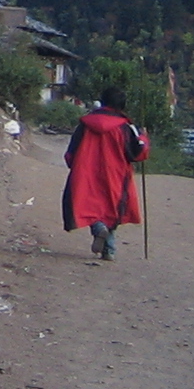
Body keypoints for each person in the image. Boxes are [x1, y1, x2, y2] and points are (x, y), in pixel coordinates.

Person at [62, 84, 149, 260]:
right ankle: (109, 249)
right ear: (122, 105)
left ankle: (98, 229)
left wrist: (75, 167)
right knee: (113, 208)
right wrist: (144, 139)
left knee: (90, 206)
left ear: (102, 102)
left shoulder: (85, 124)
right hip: (116, 174)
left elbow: (71, 152)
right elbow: (137, 154)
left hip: (86, 173)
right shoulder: (126, 127)